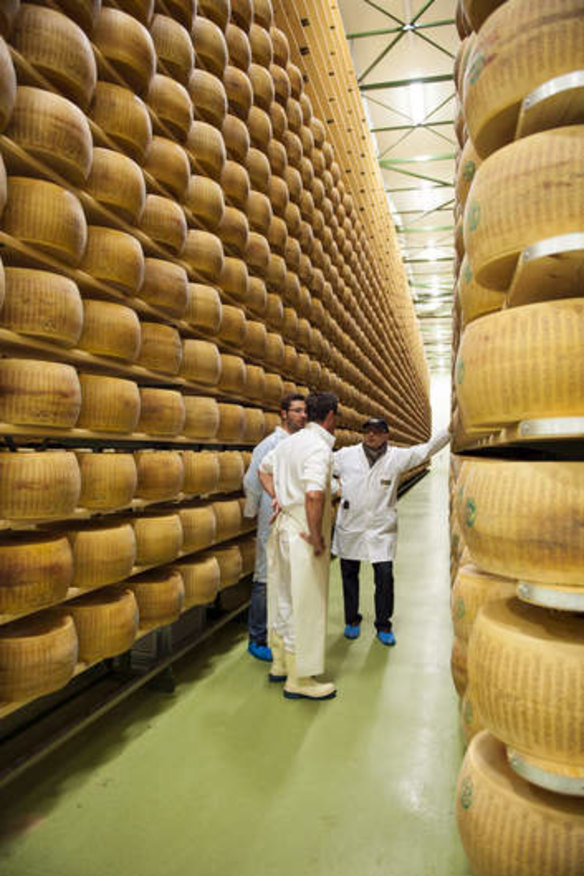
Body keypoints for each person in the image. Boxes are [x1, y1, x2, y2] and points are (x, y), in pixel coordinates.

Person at [332, 418, 450, 646]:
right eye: (368, 432)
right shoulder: (346, 455)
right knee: (349, 575)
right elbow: (319, 466)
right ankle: (352, 620)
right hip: (351, 526)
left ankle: (383, 625)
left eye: (377, 432)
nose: (371, 436)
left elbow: (425, 450)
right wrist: (336, 487)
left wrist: (449, 431)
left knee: (384, 577)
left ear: (386, 435)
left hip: (381, 531)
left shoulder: (396, 458)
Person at [259, 392, 338, 700]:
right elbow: (314, 495)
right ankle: (301, 678)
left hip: (283, 529)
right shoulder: (318, 447)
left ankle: (280, 663)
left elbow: (263, 470)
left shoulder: (288, 443)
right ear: (330, 416)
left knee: (283, 598)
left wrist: (277, 496)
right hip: (303, 534)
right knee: (306, 604)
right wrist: (316, 535)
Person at [243, 393, 307, 662]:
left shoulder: (300, 444)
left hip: (292, 519)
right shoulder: (269, 444)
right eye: (297, 411)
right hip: (271, 517)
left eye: (305, 411)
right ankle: (256, 638)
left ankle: (278, 632)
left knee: (285, 576)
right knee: (264, 576)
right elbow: (251, 480)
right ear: (283, 414)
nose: (303, 416)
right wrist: (253, 511)